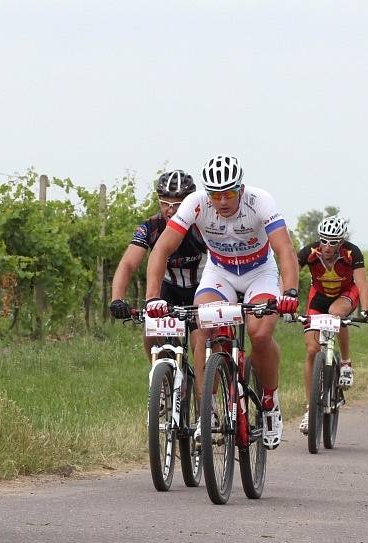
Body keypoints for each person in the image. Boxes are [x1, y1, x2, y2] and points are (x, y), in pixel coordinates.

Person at [144, 154, 300, 449]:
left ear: (240, 189)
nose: (222, 201)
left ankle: (269, 402)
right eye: (216, 195)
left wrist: (290, 292)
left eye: (229, 193)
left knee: (260, 333)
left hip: (260, 273)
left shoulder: (260, 201)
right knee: (205, 327)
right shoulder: (197, 204)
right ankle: (210, 410)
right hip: (221, 273)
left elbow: (285, 250)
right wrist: (153, 297)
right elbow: (161, 249)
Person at [109, 170, 206, 359]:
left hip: (200, 288)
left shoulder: (201, 225)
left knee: (200, 342)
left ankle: (203, 388)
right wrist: (116, 298)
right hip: (168, 288)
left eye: (178, 205)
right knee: (150, 332)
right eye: (164, 203)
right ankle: (162, 381)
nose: (170, 210)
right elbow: (128, 264)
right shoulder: (151, 226)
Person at [296, 215, 368, 435]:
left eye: (332, 242)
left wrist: (365, 309)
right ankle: (310, 409)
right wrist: (285, 299)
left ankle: (346, 362)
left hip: (345, 294)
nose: (327, 246)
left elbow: (362, 282)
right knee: (312, 350)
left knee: (335, 313)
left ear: (341, 242)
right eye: (323, 240)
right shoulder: (310, 252)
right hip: (319, 296)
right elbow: (289, 273)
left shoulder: (352, 252)